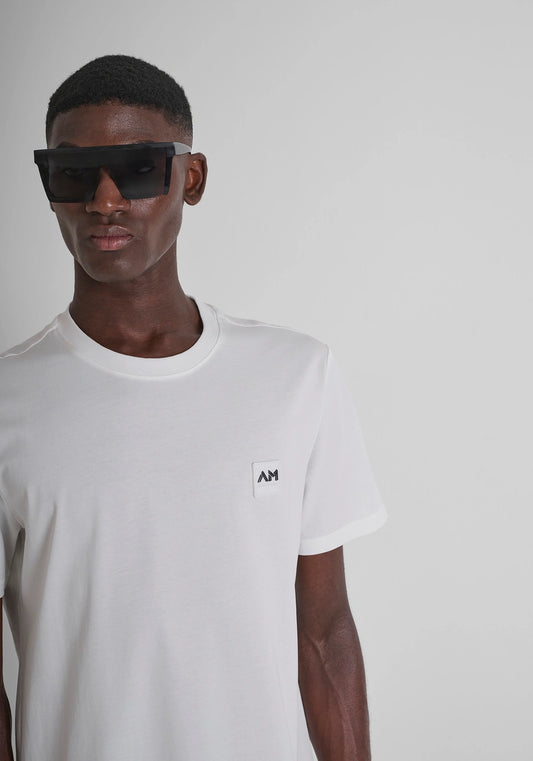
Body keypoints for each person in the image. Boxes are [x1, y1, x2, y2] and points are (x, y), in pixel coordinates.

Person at [0, 54, 387, 761]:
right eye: (74, 172)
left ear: (193, 178)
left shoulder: (295, 375)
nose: (104, 201)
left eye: (138, 168)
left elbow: (324, 630)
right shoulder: (9, 400)